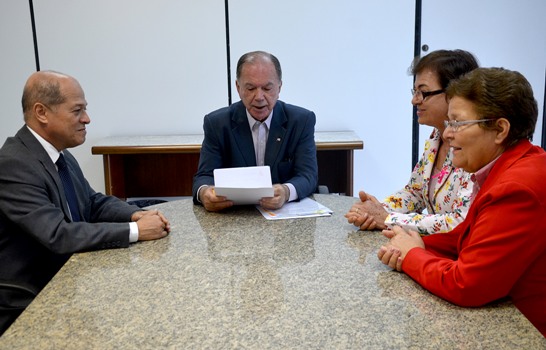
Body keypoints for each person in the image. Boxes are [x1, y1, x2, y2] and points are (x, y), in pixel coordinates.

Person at [377, 67, 546, 336]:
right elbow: (471, 236)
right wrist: (414, 241)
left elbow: (467, 285)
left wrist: (411, 254)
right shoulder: (510, 165)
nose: (446, 134)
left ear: (500, 129)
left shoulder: (517, 188)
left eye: (457, 123)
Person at [0, 71, 171, 335]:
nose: (86, 119)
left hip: (68, 280)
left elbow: (92, 203)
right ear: (41, 112)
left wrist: (135, 215)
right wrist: (136, 232)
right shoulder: (14, 164)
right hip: (31, 302)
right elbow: (57, 234)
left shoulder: (59, 154)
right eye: (77, 110)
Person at [346, 49, 478, 234]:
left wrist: (386, 218)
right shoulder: (436, 137)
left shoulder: (476, 147)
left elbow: (457, 222)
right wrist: (372, 210)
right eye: (414, 91)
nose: (414, 100)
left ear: (455, 93)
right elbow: (415, 192)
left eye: (423, 92)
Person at [192, 51, 318, 212]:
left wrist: (286, 192)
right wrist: (204, 193)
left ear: (279, 87)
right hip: (234, 218)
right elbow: (204, 177)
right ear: (238, 87)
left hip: (284, 217)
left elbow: (308, 176)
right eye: (250, 88)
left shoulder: (301, 120)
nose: (259, 97)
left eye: (267, 88)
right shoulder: (217, 123)